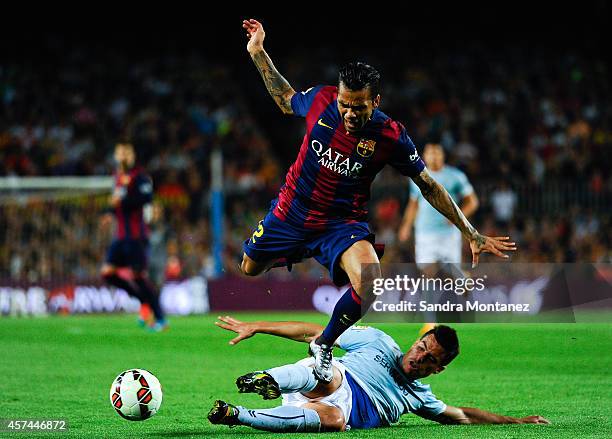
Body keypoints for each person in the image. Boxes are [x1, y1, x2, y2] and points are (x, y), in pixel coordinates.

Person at [239, 18, 516, 383]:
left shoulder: (390, 135)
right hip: (291, 211)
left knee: (370, 283)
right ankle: (300, 250)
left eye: (359, 107)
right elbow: (286, 99)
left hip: (341, 223)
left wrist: (470, 231)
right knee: (249, 269)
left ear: (376, 101)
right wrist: (258, 52)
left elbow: (428, 185)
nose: (350, 114)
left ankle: (322, 345)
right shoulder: (322, 100)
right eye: (345, 105)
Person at [208, 315, 550, 432]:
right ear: (418, 339)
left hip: (326, 411)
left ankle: (237, 415)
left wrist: (516, 422)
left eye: (429, 359)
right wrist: (259, 327)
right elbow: (314, 332)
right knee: (327, 372)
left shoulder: (419, 397)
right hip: (324, 376)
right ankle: (267, 378)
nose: (418, 357)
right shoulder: (378, 342)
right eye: (421, 346)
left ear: (438, 369)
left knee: (335, 421)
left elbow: (463, 416)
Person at [398, 143, 479, 332]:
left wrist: (458, 218)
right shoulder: (417, 176)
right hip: (424, 234)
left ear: (442, 156)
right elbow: (413, 204)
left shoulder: (455, 176)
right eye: (429, 153)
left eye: (436, 153)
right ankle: (430, 322)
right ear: (424, 155)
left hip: (448, 235)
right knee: (428, 273)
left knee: (453, 275)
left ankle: (463, 279)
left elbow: (472, 201)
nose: (433, 157)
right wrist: (406, 225)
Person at [100, 142, 168, 331]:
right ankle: (144, 302)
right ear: (115, 155)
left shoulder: (140, 177)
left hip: (136, 236)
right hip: (120, 236)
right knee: (107, 273)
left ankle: (161, 319)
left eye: (127, 153)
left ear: (133, 156)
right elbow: (116, 204)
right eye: (120, 152)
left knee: (139, 277)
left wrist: (122, 200)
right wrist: (108, 213)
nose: (123, 156)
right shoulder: (116, 177)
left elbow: (146, 198)